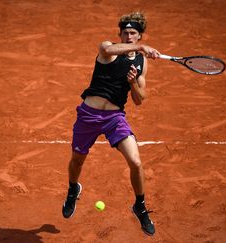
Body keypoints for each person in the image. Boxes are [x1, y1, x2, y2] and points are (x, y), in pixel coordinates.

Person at [61, 11, 160, 236]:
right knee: (76, 162)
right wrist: (140, 48)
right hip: (88, 116)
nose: (128, 36)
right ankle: (72, 189)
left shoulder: (142, 63)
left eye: (133, 33)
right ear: (120, 34)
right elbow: (107, 49)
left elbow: (139, 100)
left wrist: (133, 82)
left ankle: (140, 206)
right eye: (124, 32)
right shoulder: (109, 48)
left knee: (135, 161)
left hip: (115, 119)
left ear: (140, 35)